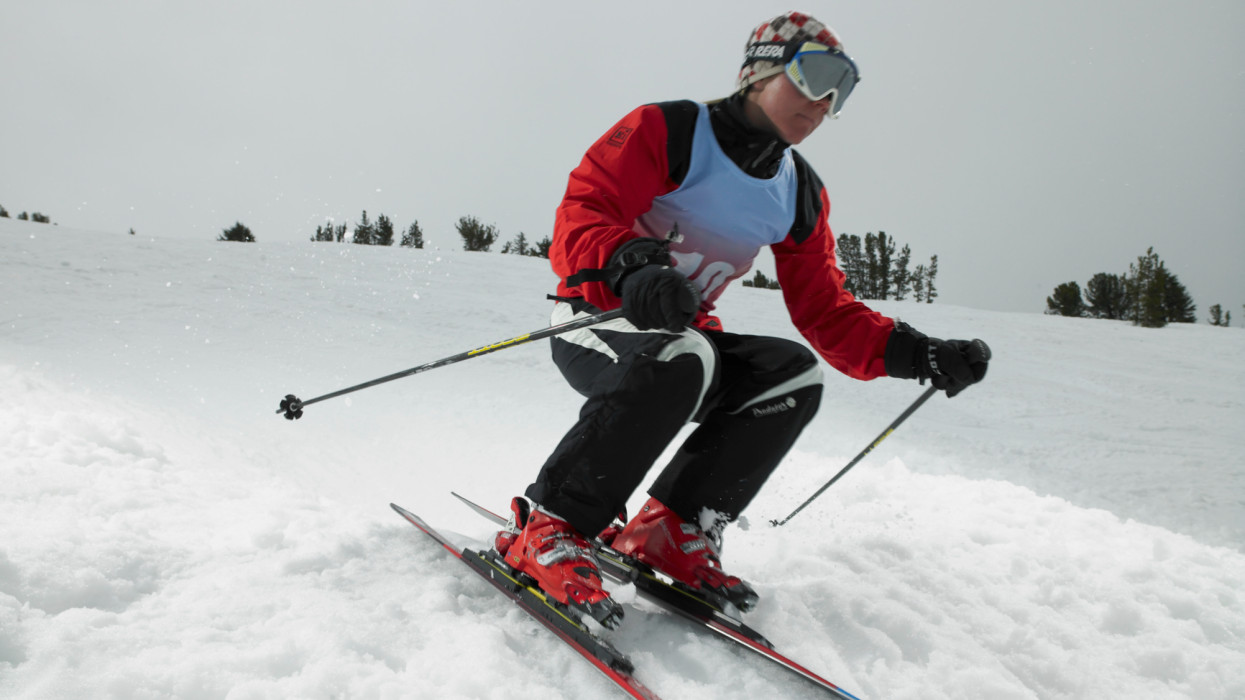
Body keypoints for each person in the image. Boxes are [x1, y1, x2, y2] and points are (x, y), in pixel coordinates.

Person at [492, 11, 990, 629]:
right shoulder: (672, 129)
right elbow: (584, 210)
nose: (825, 102)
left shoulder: (798, 191)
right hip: (598, 318)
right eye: (816, 76)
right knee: (685, 352)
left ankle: (672, 529)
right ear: (761, 69)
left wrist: (919, 353)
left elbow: (825, 311)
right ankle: (551, 527)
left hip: (685, 347)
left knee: (791, 375)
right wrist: (633, 266)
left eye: (844, 89)